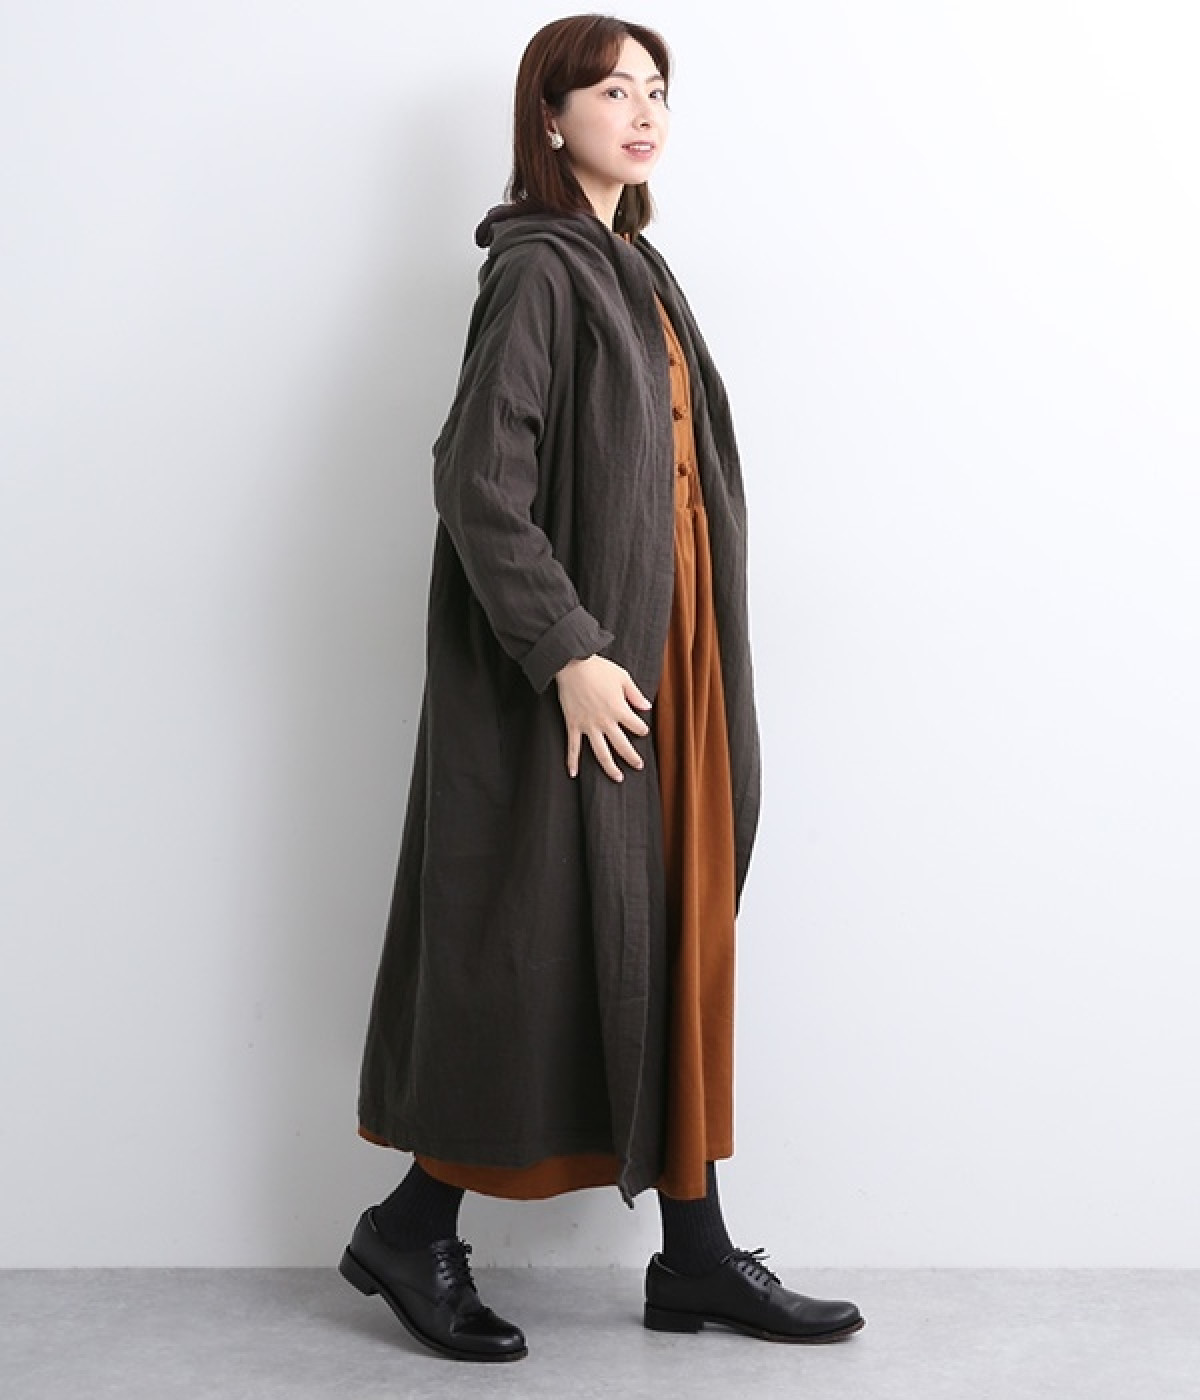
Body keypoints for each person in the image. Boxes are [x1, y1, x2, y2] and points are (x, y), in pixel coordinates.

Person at [338, 13, 865, 1363]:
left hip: (676, 661)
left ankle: (693, 1256)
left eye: (658, 90)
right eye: (612, 89)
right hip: (579, 673)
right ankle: (409, 1226)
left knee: (680, 934)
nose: (643, 111)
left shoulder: (641, 270)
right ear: (550, 116)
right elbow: (478, 482)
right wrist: (567, 649)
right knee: (529, 950)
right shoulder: (538, 270)